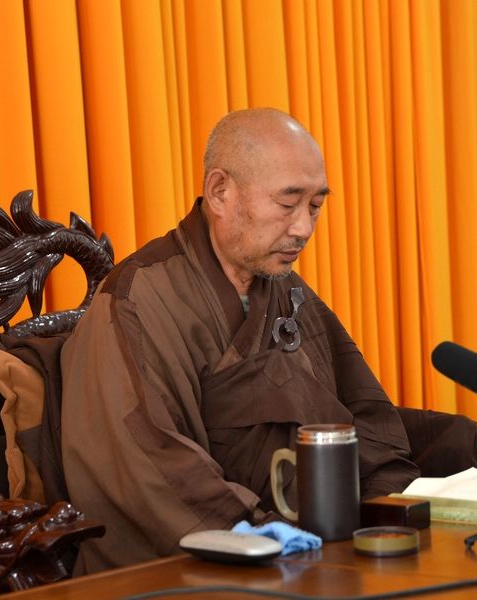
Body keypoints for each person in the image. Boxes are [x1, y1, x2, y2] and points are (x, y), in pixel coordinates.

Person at [60, 108, 422, 573]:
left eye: (315, 206)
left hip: (320, 535)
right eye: (288, 204)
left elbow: (360, 405)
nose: (304, 228)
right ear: (220, 192)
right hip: (221, 556)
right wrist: (260, 533)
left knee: (458, 447)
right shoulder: (135, 299)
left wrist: (384, 502)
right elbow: (147, 460)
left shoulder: (284, 288)